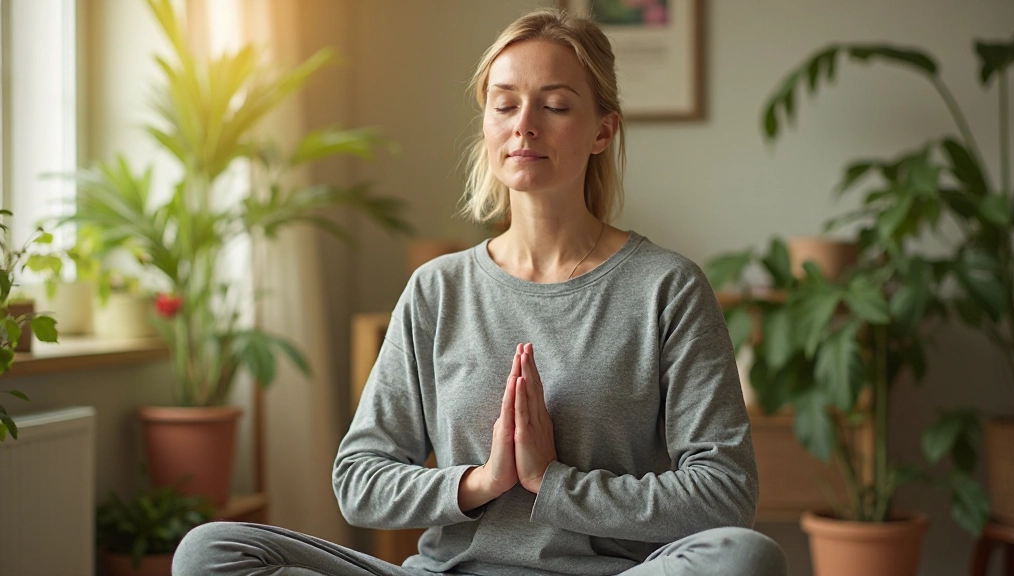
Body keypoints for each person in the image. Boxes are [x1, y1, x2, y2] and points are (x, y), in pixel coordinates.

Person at [173, 8, 787, 576]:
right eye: (505, 105)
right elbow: (359, 480)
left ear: (603, 130)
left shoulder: (666, 288)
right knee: (210, 551)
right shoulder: (437, 289)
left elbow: (726, 494)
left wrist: (552, 482)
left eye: (555, 105)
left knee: (744, 557)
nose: (524, 126)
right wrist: (482, 481)